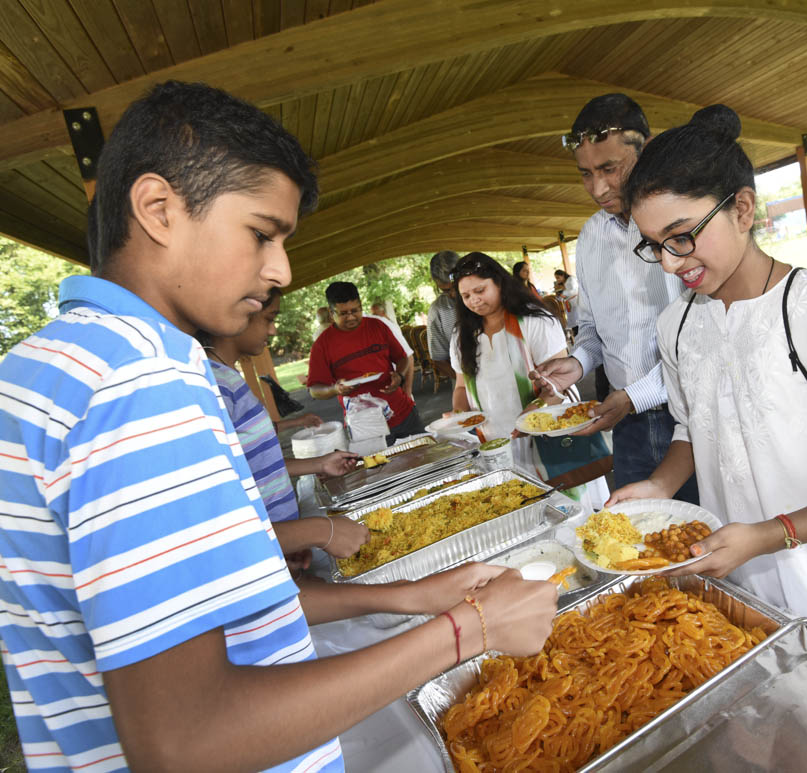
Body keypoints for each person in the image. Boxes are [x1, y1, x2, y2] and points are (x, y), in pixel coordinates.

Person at [0, 80, 557, 771]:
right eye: (262, 233)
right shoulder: (142, 383)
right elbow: (185, 738)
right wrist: (469, 628)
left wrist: (411, 595)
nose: (281, 269)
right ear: (157, 209)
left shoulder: (46, 364)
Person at [609, 104, 807, 651]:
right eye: (653, 245)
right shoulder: (680, 325)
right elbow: (693, 426)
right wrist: (660, 485)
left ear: (742, 209)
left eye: (681, 235)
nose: (668, 263)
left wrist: (768, 535)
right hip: (737, 578)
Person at [532, 93, 698, 502]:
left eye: (610, 168)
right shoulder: (590, 237)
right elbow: (592, 329)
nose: (598, 188)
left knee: (704, 543)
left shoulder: (682, 223)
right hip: (627, 423)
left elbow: (701, 339)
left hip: (692, 417)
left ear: (647, 148)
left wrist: (633, 397)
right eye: (585, 173)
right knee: (641, 546)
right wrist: (577, 363)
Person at [199, 287, 372, 571]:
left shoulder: (228, 378)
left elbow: (251, 464)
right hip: (258, 551)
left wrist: (318, 464)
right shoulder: (213, 385)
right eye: (269, 318)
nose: (274, 330)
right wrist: (318, 531)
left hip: (279, 543)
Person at [449, 253, 608, 507]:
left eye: (480, 290)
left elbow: (560, 383)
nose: (474, 300)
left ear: (499, 283)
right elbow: (460, 386)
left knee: (569, 512)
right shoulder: (462, 335)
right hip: (496, 444)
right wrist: (457, 417)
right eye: (466, 296)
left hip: (547, 437)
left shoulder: (535, 321)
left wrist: (535, 411)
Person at [307, 281, 426, 444]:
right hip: (364, 425)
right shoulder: (322, 345)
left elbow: (402, 358)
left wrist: (399, 375)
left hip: (403, 412)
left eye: (355, 311)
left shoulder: (377, 325)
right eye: (343, 313)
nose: (351, 317)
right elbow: (314, 390)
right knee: (382, 468)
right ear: (331, 312)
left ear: (361, 305)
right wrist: (335, 389)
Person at [426, 250, 460, 380]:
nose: (453, 294)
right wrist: (465, 384)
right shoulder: (437, 311)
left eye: (456, 287)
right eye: (445, 290)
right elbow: (439, 359)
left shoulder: (487, 296)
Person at [553, 268, 579, 334]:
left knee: (577, 321)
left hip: (575, 303)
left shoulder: (571, 279)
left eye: (558, 277)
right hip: (570, 304)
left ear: (563, 275)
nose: (557, 280)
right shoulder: (564, 283)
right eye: (556, 278)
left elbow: (572, 290)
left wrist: (562, 294)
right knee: (574, 322)